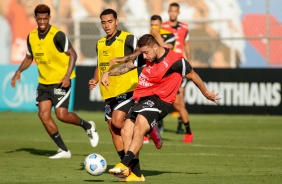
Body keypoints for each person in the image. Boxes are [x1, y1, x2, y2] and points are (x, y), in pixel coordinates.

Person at [101, 34, 220, 180]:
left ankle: (124, 164)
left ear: (155, 47)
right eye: (142, 52)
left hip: (160, 102)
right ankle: (136, 175)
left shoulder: (176, 61)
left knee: (138, 127)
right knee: (126, 131)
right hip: (143, 99)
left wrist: (206, 93)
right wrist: (108, 73)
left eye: (146, 52)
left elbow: (193, 75)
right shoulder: (146, 57)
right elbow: (127, 66)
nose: (144, 56)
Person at [10, 4, 99, 159]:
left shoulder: (58, 35)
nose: (43, 21)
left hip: (60, 81)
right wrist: (18, 71)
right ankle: (64, 150)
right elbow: (29, 57)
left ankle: (88, 126)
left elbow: (73, 54)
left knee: (61, 115)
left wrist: (67, 75)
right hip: (44, 82)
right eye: (40, 18)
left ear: (49, 18)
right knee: (43, 115)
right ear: (36, 18)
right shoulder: (31, 36)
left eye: (45, 18)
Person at [88, 9, 143, 182]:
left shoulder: (128, 38)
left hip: (127, 89)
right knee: (113, 130)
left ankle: (146, 127)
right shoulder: (100, 43)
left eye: (110, 21)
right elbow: (100, 65)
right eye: (103, 22)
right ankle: (124, 166)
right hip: (108, 93)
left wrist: (124, 57)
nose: (106, 25)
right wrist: (95, 79)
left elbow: (142, 53)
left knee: (119, 122)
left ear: (117, 21)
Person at [162, 2, 193, 143]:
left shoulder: (184, 27)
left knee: (180, 100)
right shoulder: (163, 27)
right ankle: (158, 125)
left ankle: (182, 127)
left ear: (178, 13)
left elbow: (187, 44)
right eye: (171, 11)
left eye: (175, 11)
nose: (173, 13)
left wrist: (189, 63)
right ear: (169, 12)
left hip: (180, 66)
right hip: (166, 66)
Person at [143, 14, 176, 143]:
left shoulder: (169, 35)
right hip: (151, 73)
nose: (154, 27)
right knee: (144, 100)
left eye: (156, 25)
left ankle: (155, 126)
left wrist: (157, 36)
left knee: (169, 104)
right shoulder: (146, 38)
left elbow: (168, 51)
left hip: (165, 75)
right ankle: (146, 132)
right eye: (152, 25)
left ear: (161, 25)